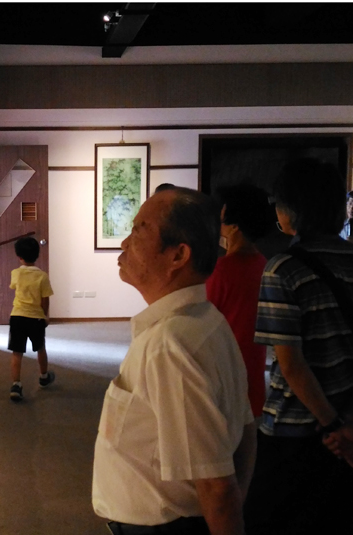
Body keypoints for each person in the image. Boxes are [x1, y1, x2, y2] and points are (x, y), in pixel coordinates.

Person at [93, 187, 256, 535]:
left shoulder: (171, 344)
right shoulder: (209, 321)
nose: (124, 242)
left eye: (139, 230)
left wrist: (230, 513)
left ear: (178, 255)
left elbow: (217, 485)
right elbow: (245, 430)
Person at [244, 159, 353, 534]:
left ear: (291, 210)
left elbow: (291, 365)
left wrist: (331, 424)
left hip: (296, 428)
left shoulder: (282, 269)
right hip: (346, 428)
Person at [206, 184, 273, 418]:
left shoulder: (221, 271)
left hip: (223, 373)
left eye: (222, 215)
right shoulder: (264, 265)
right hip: (253, 372)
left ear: (234, 225)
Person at [7, 237, 55, 402]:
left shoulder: (16, 273)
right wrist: (44, 316)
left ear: (19, 257)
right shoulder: (42, 276)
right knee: (40, 348)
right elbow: (45, 299)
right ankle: (43, 376)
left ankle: (16, 384)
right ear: (37, 255)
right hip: (35, 318)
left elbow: (14, 287)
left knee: (17, 352)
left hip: (18, 317)